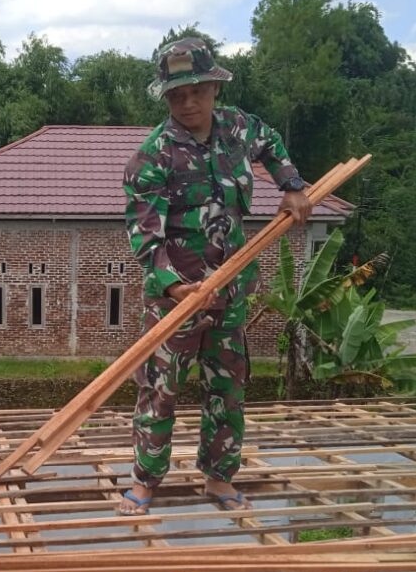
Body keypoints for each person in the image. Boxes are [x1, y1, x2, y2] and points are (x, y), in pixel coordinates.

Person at [119, 37, 310, 516]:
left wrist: (291, 185)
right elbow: (146, 235)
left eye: (196, 91)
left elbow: (273, 144)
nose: (188, 102)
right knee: (160, 390)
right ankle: (145, 481)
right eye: (176, 95)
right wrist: (176, 286)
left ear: (213, 87)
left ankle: (219, 478)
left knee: (228, 388)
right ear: (166, 97)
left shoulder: (239, 129)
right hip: (175, 299)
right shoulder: (153, 156)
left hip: (230, 291)